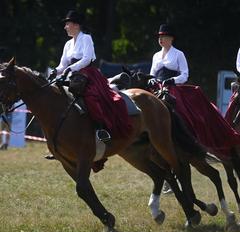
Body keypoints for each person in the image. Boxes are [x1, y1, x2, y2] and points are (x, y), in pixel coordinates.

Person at [45, 10, 132, 170]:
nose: (65, 27)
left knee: (91, 97)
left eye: (68, 24)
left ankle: (100, 129)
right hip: (71, 76)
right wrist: (54, 71)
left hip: (88, 75)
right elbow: (62, 65)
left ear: (76, 25)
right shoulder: (68, 44)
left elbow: (87, 59)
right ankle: (60, 141)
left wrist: (69, 69)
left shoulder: (86, 38)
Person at [148, 24, 189, 194]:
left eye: (164, 36)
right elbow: (151, 73)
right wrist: (150, 80)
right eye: (159, 36)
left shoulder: (179, 54)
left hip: (172, 88)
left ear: (171, 39)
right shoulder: (156, 55)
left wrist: (173, 80)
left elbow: (185, 74)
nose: (160, 38)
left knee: (178, 113)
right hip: (156, 88)